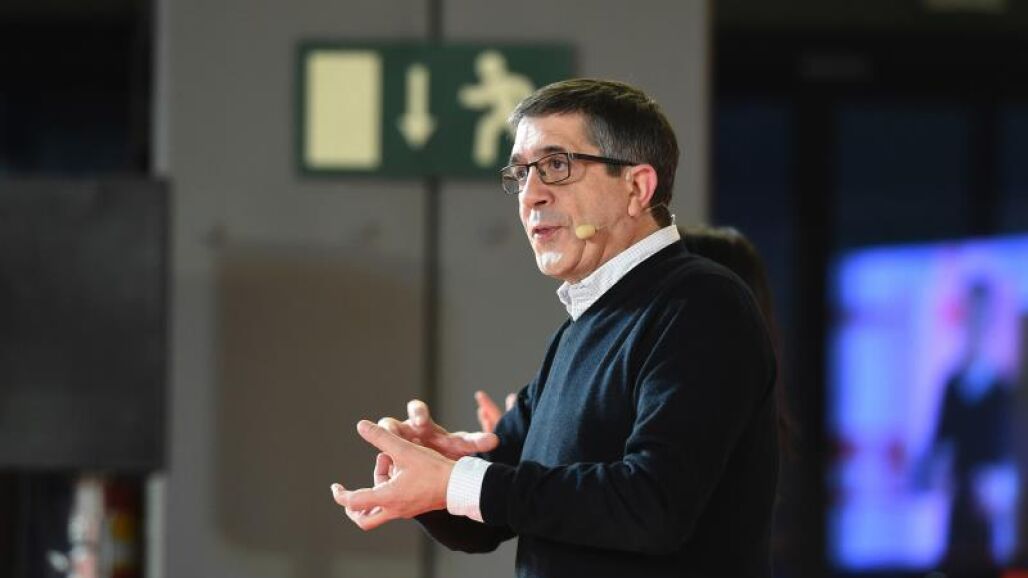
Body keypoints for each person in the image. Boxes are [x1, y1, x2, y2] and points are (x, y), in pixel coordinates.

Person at [330, 78, 780, 578]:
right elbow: (489, 519)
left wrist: (460, 481)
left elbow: (653, 505)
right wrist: (429, 470)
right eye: (521, 173)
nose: (530, 196)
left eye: (557, 166)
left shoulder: (701, 303)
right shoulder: (578, 329)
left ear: (637, 187)